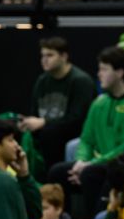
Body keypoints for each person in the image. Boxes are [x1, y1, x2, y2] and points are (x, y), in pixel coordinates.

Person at [48, 47, 124, 219]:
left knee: (91, 174)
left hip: (122, 165)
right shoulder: (100, 102)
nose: (99, 74)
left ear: (120, 72)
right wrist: (80, 162)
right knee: (57, 172)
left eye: (104, 69)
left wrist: (90, 164)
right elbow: (86, 139)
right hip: (94, 164)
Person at [19, 37, 96, 171]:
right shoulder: (42, 80)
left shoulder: (80, 81)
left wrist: (44, 123)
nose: (44, 59)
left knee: (50, 134)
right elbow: (34, 113)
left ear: (64, 56)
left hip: (72, 133)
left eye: (50, 55)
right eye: (42, 55)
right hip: (47, 131)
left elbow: (77, 120)